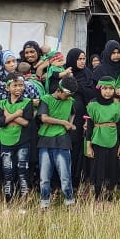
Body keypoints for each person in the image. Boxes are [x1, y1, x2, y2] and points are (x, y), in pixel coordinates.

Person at [37, 77, 77, 209]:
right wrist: (63, 122)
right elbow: (44, 118)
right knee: (44, 176)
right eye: (66, 95)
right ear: (59, 90)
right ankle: (44, 201)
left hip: (62, 140)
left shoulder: (70, 101)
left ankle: (69, 200)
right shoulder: (46, 99)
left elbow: (73, 113)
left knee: (65, 175)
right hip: (45, 140)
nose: (68, 98)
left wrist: (70, 123)